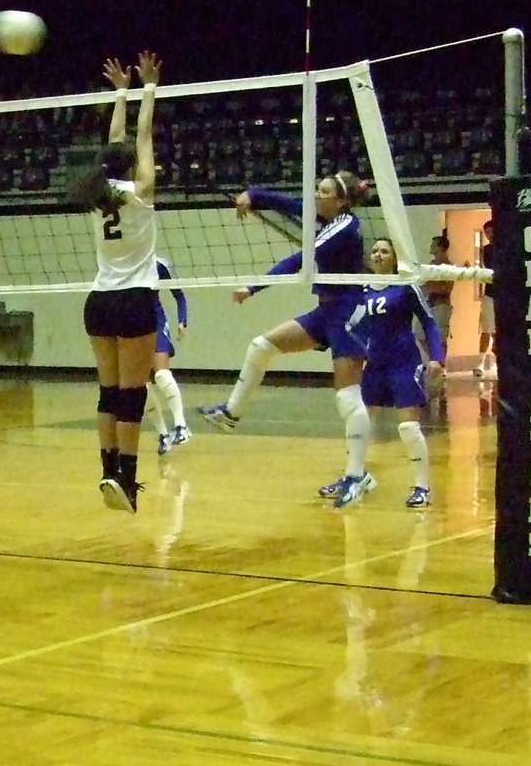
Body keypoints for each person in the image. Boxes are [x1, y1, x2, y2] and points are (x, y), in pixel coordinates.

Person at [197, 170, 373, 508]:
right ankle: (231, 414)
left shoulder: (344, 227)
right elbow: (290, 204)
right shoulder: (327, 218)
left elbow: (299, 260)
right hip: (326, 311)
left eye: (322, 192)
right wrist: (253, 194)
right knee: (262, 345)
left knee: (348, 399)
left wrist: (253, 286)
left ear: (341, 201)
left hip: (348, 312)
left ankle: (356, 476)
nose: (315, 197)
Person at [66, 51, 162, 513]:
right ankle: (127, 476)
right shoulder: (141, 195)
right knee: (132, 393)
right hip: (134, 299)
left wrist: (120, 92)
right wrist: (148, 88)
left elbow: (119, 141)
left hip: (99, 301)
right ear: (133, 167)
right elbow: (140, 137)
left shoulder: (98, 192)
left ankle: (107, 471)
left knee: (108, 391)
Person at [347, 239, 445, 507]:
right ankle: (354, 476)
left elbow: (429, 322)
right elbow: (353, 325)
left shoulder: (405, 285)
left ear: (393, 258)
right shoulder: (362, 290)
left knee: (408, 426)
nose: (378, 255)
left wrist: (437, 357)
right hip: (375, 364)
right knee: (360, 421)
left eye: (384, 251)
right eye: (375, 251)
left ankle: (422, 487)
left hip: (403, 362)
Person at [147, 255, 190, 454]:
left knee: (161, 375)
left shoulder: (159, 264)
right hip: (130, 323)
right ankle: (163, 435)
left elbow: (178, 294)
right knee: (139, 385)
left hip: (154, 321)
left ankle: (181, 426)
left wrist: (183, 320)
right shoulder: (122, 261)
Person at [422, 234, 454, 342]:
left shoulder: (448, 266)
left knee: (440, 338)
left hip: (442, 305)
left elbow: (447, 288)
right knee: (420, 334)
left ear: (440, 247)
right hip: (429, 304)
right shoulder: (431, 265)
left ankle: (440, 358)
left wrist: (432, 288)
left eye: (433, 244)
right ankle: (434, 356)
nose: (431, 246)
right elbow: (425, 283)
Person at [474, 219, 495, 377]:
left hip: (504, 295)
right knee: (486, 329)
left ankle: (499, 362)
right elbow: (488, 267)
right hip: (490, 294)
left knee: (499, 331)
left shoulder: (507, 247)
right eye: (486, 233)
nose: (488, 235)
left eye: (490, 232)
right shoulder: (487, 250)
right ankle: (480, 363)